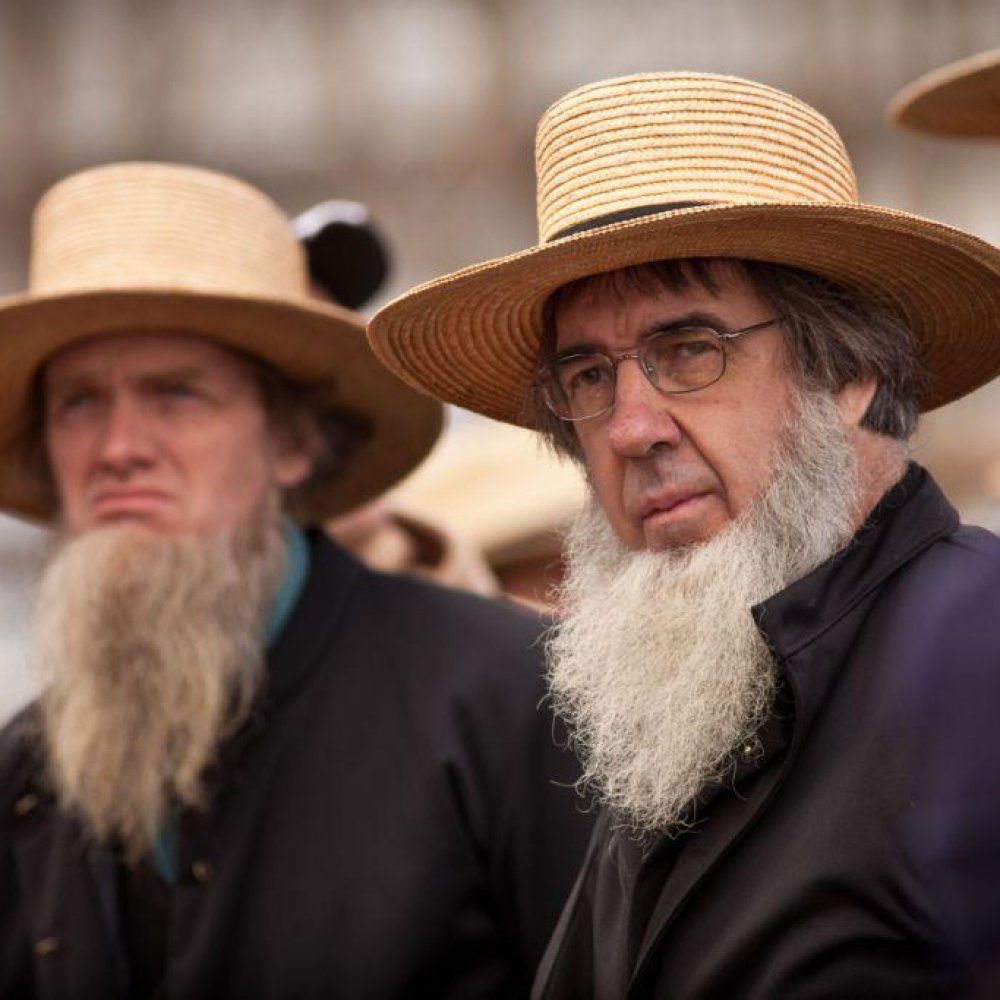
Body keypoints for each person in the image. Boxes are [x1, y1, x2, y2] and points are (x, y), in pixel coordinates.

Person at [367, 71, 1000, 999]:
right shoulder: (677, 705)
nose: (631, 427)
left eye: (689, 352)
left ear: (853, 371)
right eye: (588, 377)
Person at [0, 162, 593, 998]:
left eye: (175, 394)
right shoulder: (25, 774)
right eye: (79, 404)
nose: (117, 446)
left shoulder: (510, 696)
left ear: (292, 444)